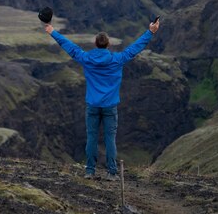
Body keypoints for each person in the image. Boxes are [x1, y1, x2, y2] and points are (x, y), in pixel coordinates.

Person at [44, 19, 160, 180]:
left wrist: (52, 32)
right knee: (109, 139)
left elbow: (69, 47)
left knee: (91, 137)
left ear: (95, 43)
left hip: (92, 105)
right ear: (108, 44)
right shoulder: (117, 59)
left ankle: (90, 171)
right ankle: (112, 172)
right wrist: (151, 32)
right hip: (110, 106)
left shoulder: (86, 58)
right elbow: (135, 48)